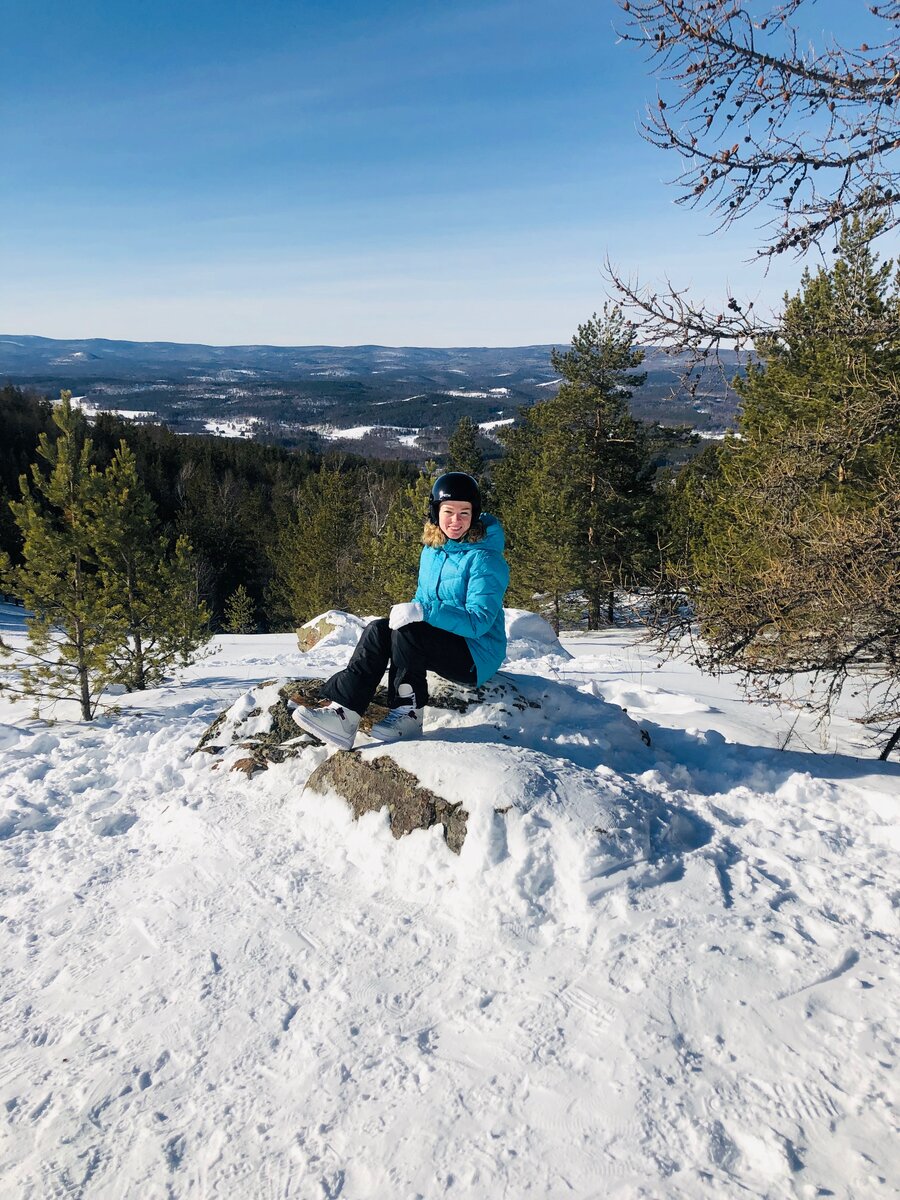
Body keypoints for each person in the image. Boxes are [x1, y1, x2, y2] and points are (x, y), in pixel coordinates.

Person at [291, 471, 510, 749]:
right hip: (444, 640)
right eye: (449, 511)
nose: (456, 521)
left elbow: (478, 622)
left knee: (409, 633)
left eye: (464, 513)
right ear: (435, 512)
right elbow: (422, 602)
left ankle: (409, 712)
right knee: (380, 630)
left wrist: (424, 613)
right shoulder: (433, 550)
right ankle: (344, 713)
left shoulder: (485, 560)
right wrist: (414, 615)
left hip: (476, 654)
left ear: (475, 515)